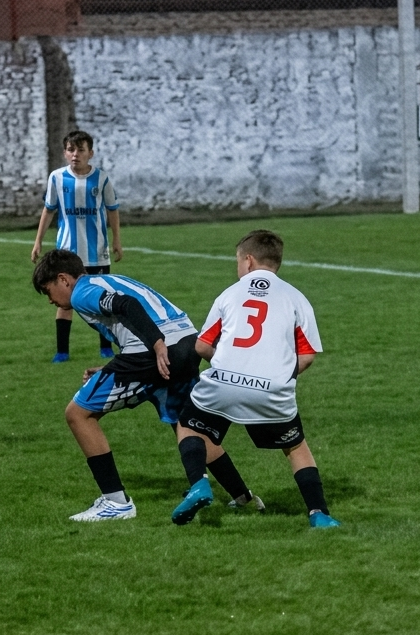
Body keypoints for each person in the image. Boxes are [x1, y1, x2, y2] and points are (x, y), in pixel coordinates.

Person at [32, 249, 262, 522]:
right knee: (187, 425)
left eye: (48, 291)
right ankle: (241, 497)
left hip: (153, 353)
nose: (50, 301)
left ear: (63, 279)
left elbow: (127, 306)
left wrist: (156, 344)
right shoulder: (111, 279)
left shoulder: (82, 292)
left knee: (78, 413)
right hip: (188, 343)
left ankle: (116, 503)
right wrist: (113, 366)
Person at [171, 230, 341, 528]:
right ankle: (320, 514)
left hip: (223, 381)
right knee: (295, 448)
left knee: (189, 428)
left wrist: (230, 366)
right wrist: (276, 375)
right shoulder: (296, 298)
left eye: (237, 260)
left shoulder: (230, 293)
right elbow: (307, 356)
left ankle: (199, 483)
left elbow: (201, 346)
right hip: (272, 389)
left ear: (248, 261)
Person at [30, 130, 122, 363]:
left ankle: (106, 347)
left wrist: (117, 240)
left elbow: (112, 209)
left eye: (81, 150)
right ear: (65, 152)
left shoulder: (101, 179)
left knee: (103, 302)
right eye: (71, 150)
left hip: (97, 253)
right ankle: (62, 351)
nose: (75, 155)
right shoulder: (57, 178)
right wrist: (38, 240)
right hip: (67, 255)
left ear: (90, 153)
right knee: (64, 302)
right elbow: (49, 209)